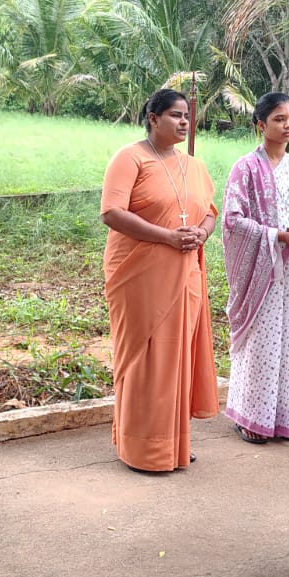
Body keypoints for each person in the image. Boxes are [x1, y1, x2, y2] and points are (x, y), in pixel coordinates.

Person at [100, 89, 220, 472]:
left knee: (178, 355)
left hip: (185, 274)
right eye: (175, 115)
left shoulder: (194, 166)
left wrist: (201, 233)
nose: (184, 122)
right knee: (145, 357)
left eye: (187, 116)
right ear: (152, 118)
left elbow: (211, 213)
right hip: (139, 275)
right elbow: (111, 212)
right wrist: (166, 237)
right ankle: (141, 447)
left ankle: (174, 441)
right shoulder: (130, 158)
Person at [222, 92, 289, 444]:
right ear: (261, 125)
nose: (288, 125)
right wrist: (277, 235)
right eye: (279, 119)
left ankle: (283, 417)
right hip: (259, 270)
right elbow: (232, 220)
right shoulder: (245, 168)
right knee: (261, 340)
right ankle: (250, 417)